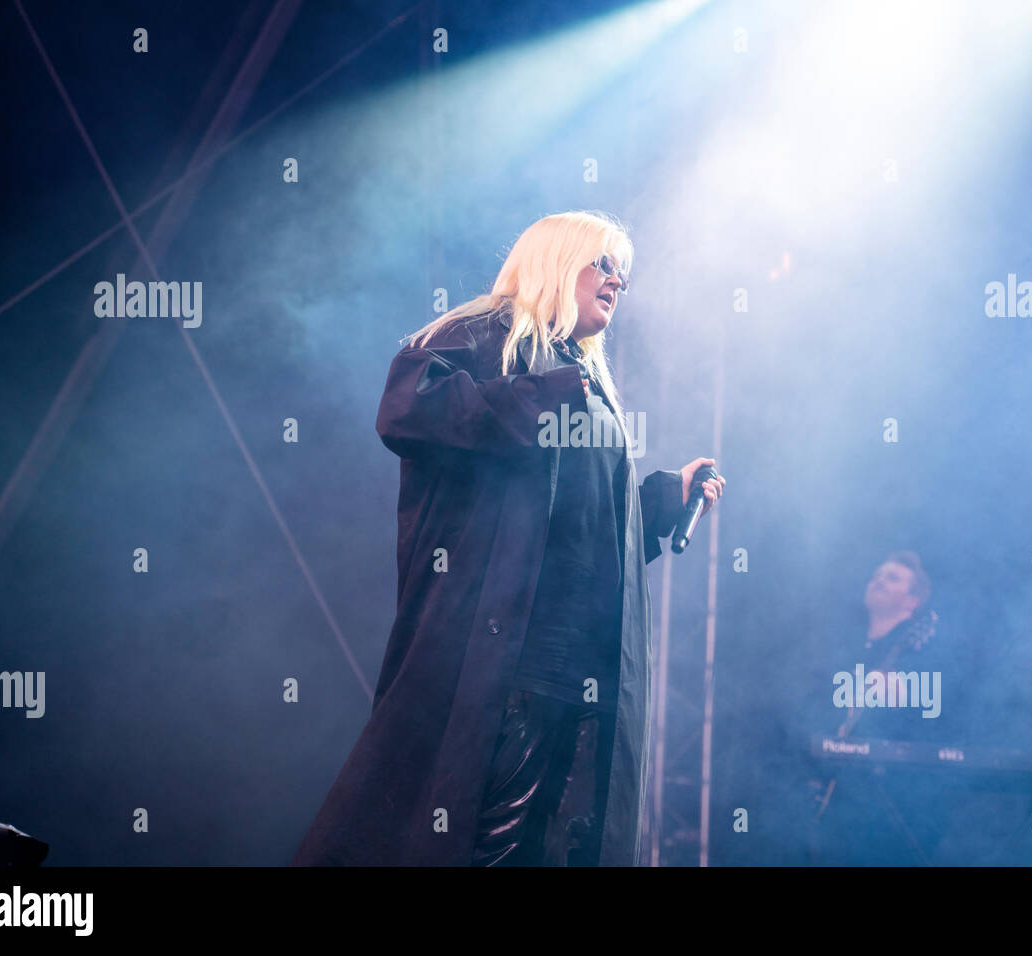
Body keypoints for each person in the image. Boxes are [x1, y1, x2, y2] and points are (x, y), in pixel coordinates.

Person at [292, 210, 726, 866]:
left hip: (580, 676)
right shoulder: (488, 332)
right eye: (603, 264)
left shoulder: (588, 380)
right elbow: (408, 409)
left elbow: (585, 536)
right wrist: (545, 393)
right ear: (556, 260)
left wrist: (665, 501)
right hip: (504, 662)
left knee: (549, 850)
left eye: (625, 276)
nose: (617, 282)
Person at [808, 551, 948, 865]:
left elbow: (932, 722)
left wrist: (902, 692)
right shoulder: (845, 647)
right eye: (878, 574)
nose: (879, 580)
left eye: (893, 577)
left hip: (884, 809)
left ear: (912, 601)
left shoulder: (917, 651)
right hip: (831, 800)